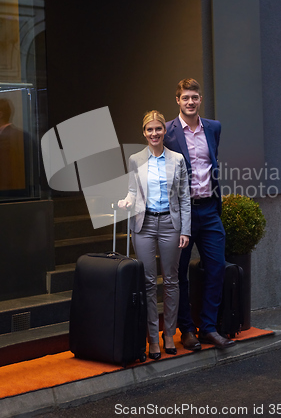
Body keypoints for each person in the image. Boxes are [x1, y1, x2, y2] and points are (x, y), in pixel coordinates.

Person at [164, 78, 235, 351]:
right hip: (181, 215)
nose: (190, 102)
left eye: (194, 97)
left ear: (200, 99)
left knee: (217, 267)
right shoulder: (168, 132)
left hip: (209, 210)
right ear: (178, 101)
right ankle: (187, 330)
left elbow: (211, 164)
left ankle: (208, 327)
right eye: (185, 98)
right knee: (178, 273)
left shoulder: (213, 128)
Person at [118, 110, 191, 360]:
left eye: (158, 128)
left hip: (171, 225)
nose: (154, 133)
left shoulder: (177, 159)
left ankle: (169, 334)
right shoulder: (135, 159)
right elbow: (132, 191)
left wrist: (186, 230)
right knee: (148, 283)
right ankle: (152, 338)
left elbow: (184, 198)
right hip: (144, 225)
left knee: (171, 281)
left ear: (164, 131)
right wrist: (126, 202)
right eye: (149, 129)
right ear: (144, 132)